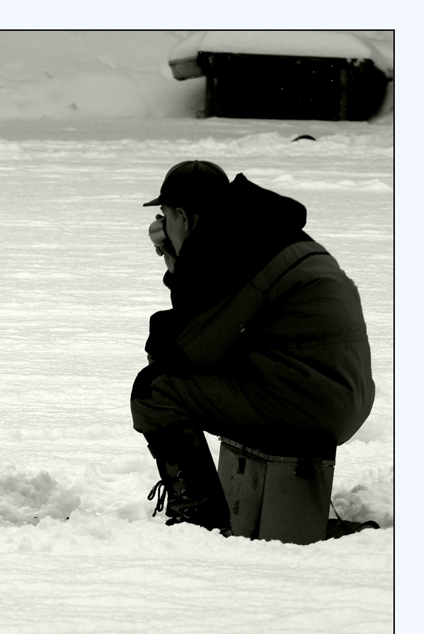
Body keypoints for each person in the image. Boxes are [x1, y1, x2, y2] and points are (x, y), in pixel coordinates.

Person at [131, 160, 375, 530]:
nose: (162, 226)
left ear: (182, 215)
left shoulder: (226, 250)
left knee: (155, 388)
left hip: (311, 398)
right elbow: (217, 326)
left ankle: (199, 515)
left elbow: (190, 345)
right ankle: (267, 514)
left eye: (165, 216)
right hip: (333, 392)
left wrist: (182, 263)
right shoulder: (258, 232)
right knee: (178, 372)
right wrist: (181, 260)